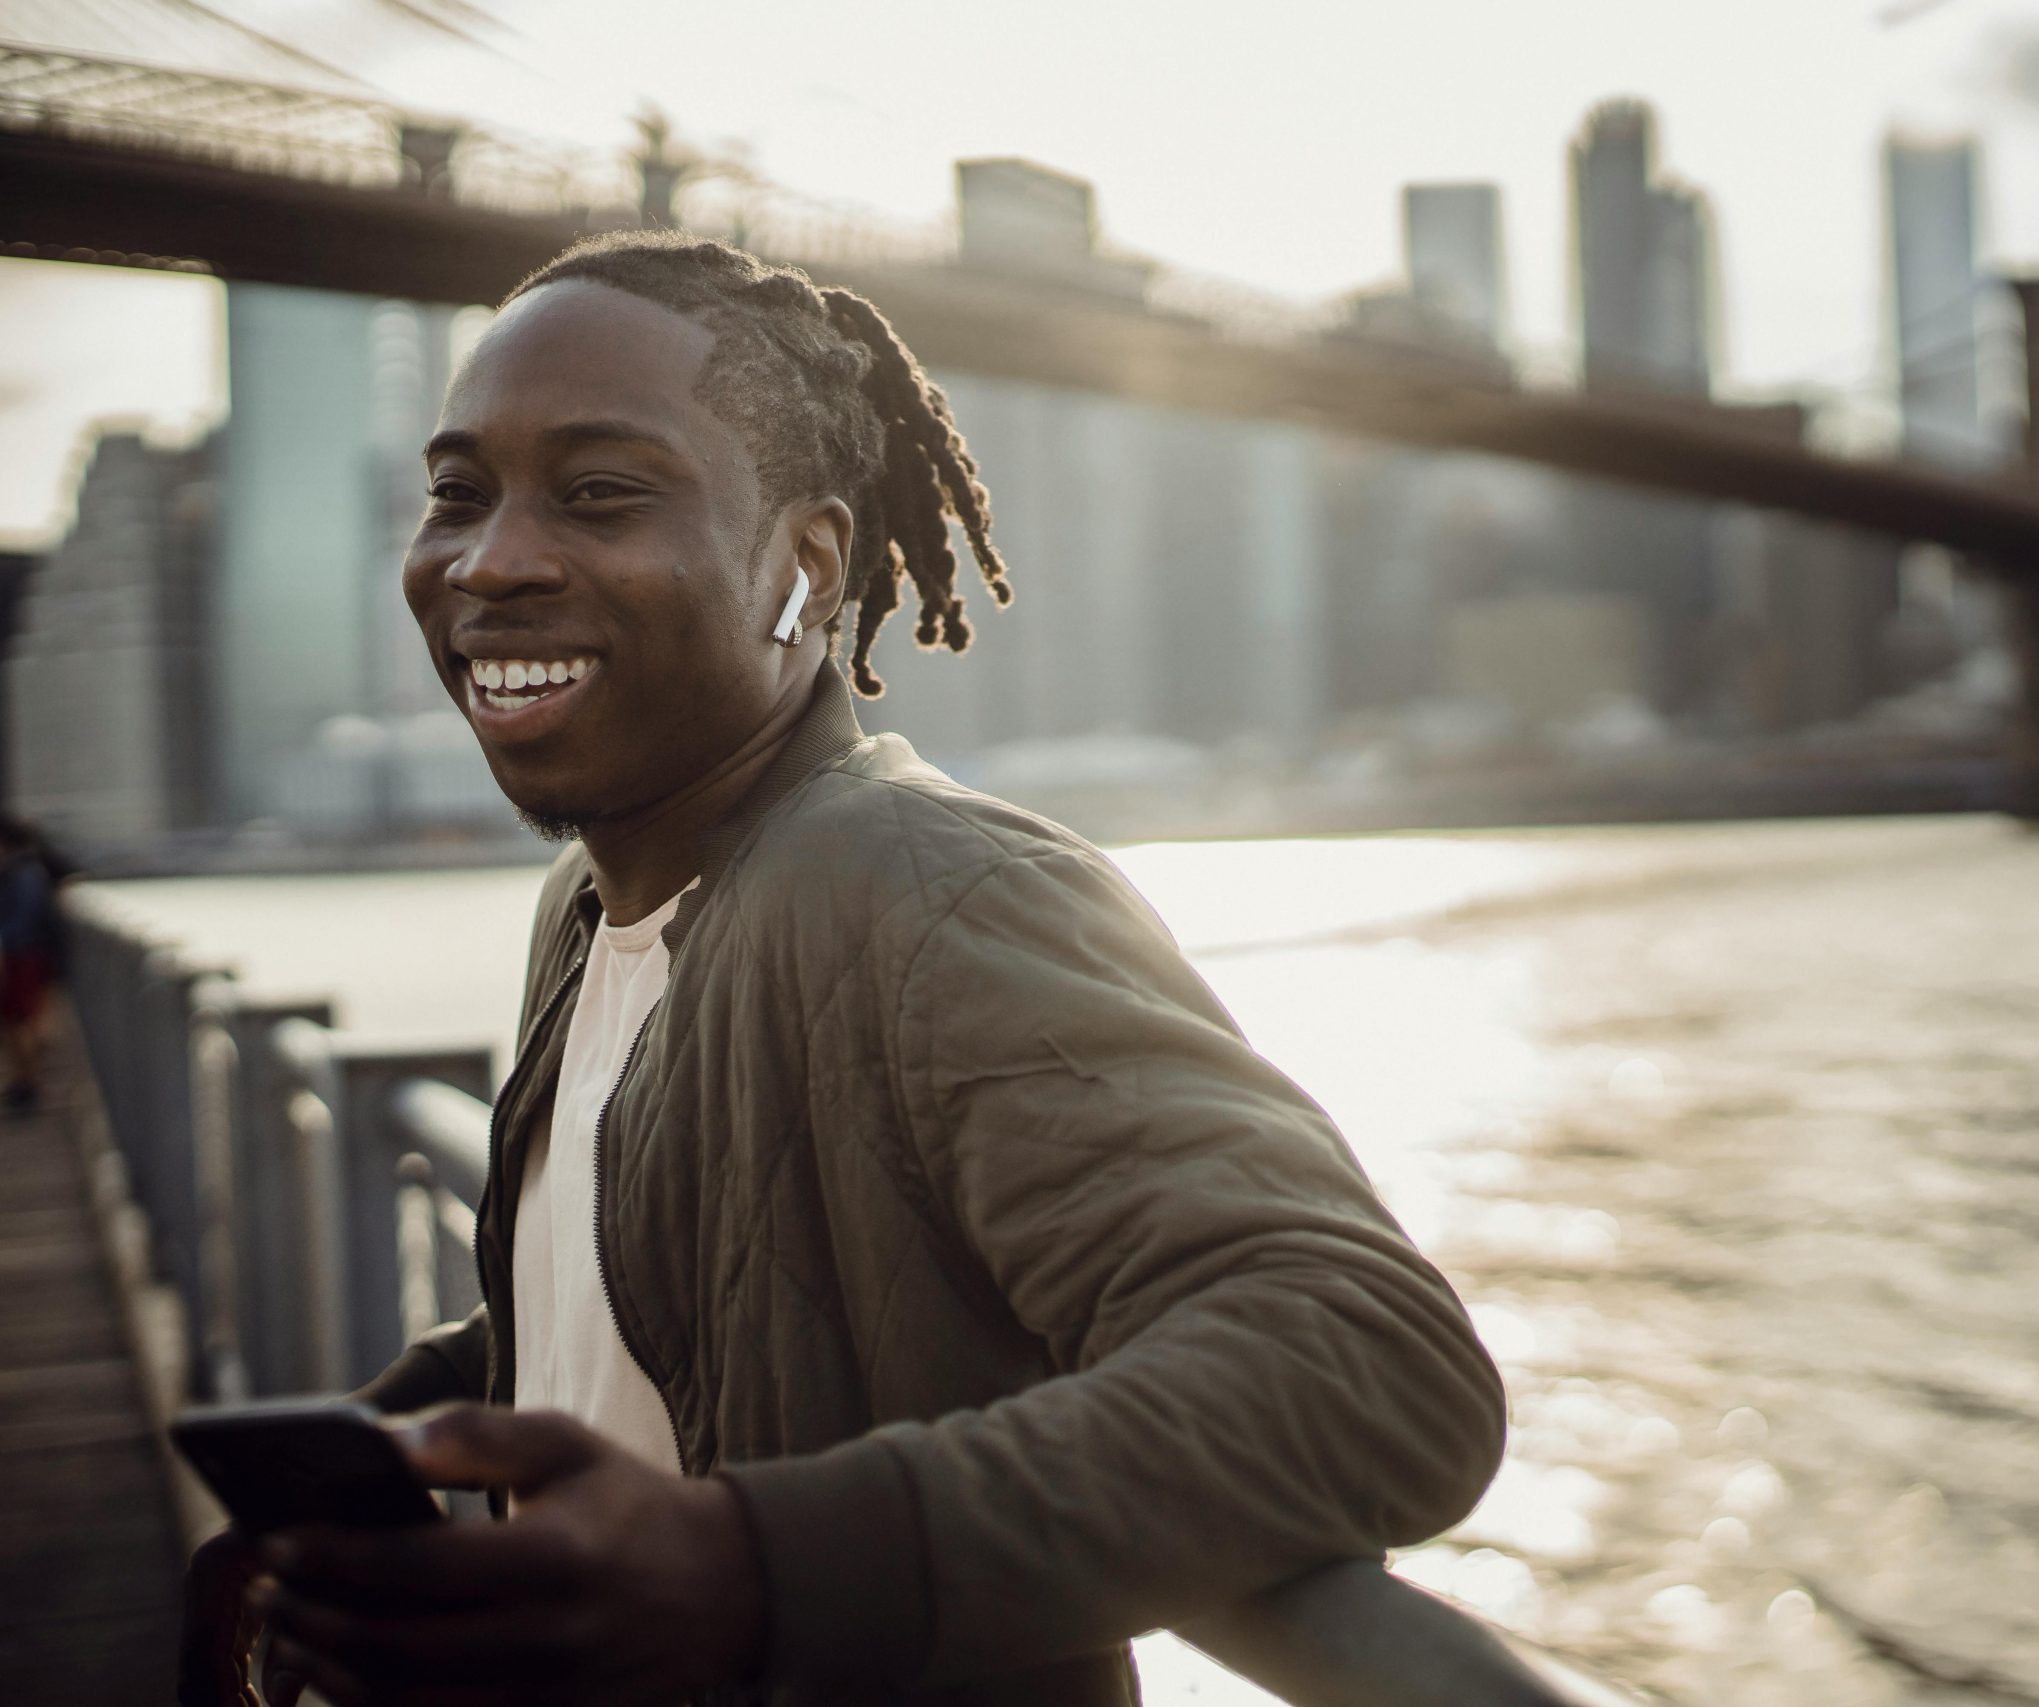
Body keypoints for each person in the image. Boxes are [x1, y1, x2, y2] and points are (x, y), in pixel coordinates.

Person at [180, 230, 1505, 1707]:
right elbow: (704, 1253)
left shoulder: (925, 888)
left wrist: (746, 1565)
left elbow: (1372, 1363)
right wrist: (419, 1422)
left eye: (602, 492)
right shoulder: (590, 900)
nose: (490, 561)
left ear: (804, 567)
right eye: (456, 495)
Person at [0, 816, 67, 1113]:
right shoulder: (26, 868)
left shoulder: (24, 871)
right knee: (22, 1020)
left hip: (21, 955)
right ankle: (25, 1081)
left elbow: (23, 918)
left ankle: (27, 1083)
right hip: (26, 953)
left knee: (21, 1020)